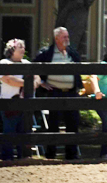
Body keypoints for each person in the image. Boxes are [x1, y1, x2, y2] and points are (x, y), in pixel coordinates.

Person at [33, 27, 84, 160]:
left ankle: (71, 156)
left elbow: (80, 67)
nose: (67, 39)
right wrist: (42, 82)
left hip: (72, 93)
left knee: (73, 124)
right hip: (55, 92)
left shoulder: (72, 53)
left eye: (67, 36)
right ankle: (51, 155)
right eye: (64, 37)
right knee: (53, 125)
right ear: (56, 39)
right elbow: (33, 66)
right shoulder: (47, 53)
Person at [0, 38, 41, 160]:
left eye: (23, 47)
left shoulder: (27, 63)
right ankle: (7, 158)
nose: (24, 49)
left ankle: (23, 158)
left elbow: (37, 78)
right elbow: (8, 79)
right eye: (20, 47)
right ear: (12, 50)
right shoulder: (4, 63)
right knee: (9, 131)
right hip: (9, 104)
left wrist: (34, 83)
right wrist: (27, 84)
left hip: (26, 104)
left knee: (25, 131)